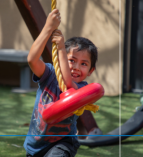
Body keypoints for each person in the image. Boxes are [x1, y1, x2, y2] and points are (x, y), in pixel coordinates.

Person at [24, 9, 99, 157]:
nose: (76, 67)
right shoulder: (49, 74)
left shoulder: (82, 89)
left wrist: (61, 49)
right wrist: (48, 28)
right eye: (72, 61)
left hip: (62, 143)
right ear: (61, 60)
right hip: (35, 144)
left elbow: (68, 84)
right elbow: (32, 60)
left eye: (84, 64)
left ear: (91, 70)